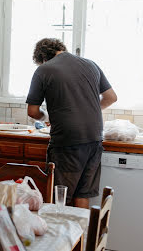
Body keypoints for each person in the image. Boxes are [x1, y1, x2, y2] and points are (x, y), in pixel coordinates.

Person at [26, 38, 117, 209]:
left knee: (61, 197)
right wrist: (86, 109)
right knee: (83, 194)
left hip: (67, 141)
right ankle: (81, 236)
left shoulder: (44, 70)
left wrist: (46, 117)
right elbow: (111, 97)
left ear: (42, 58)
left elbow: (32, 111)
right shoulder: (91, 64)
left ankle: (64, 235)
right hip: (94, 137)